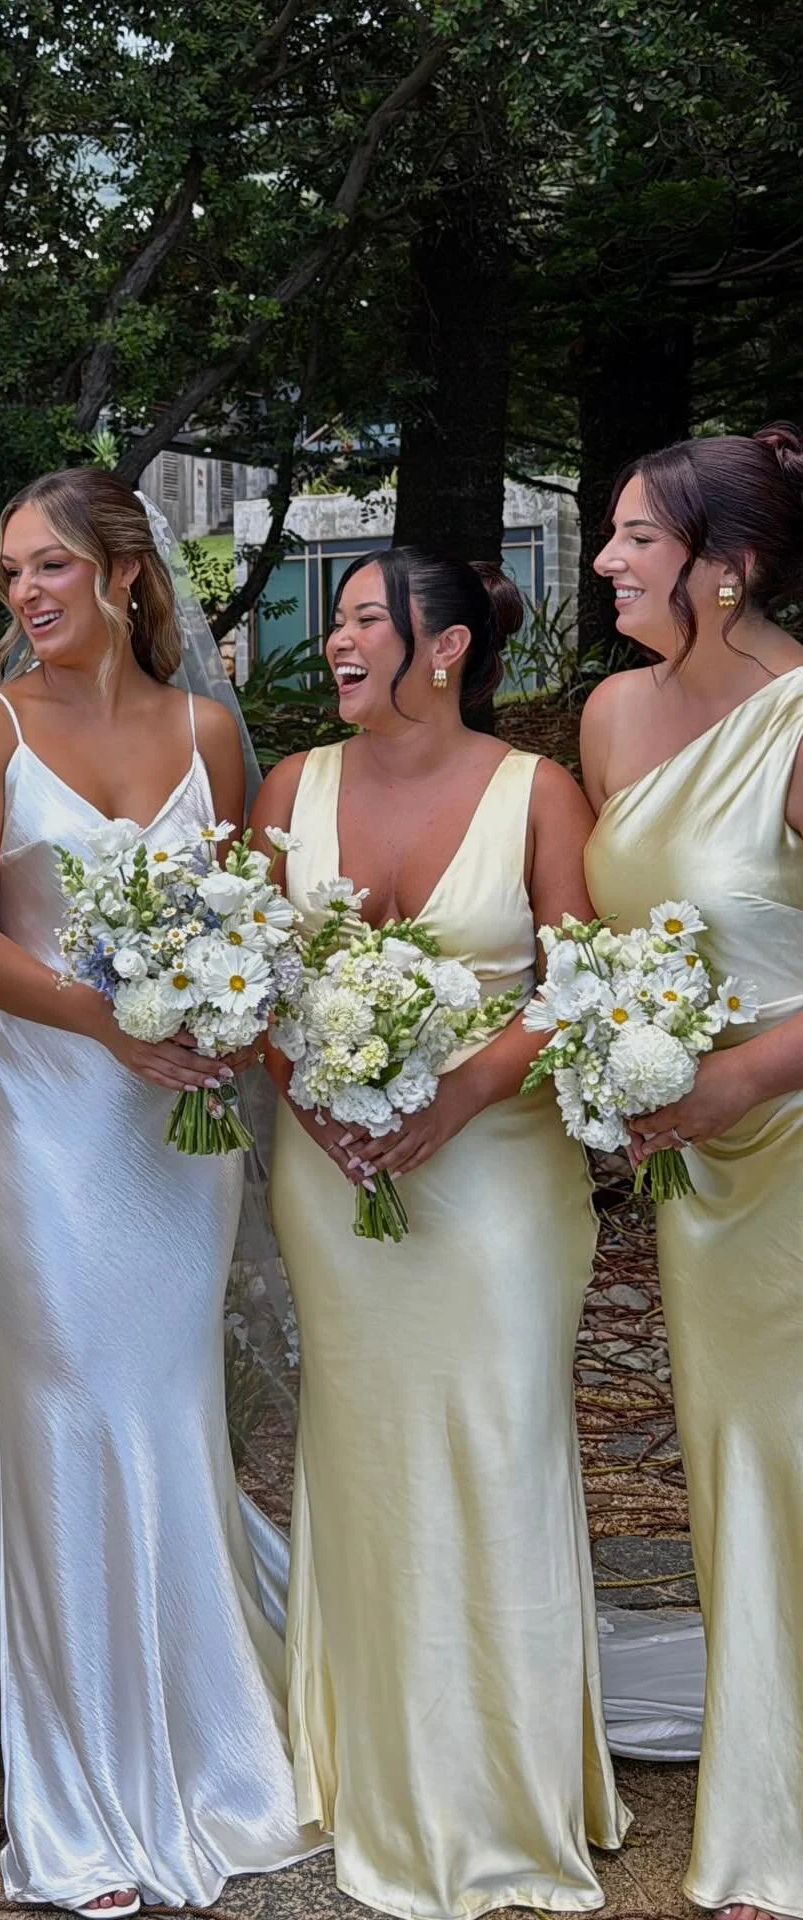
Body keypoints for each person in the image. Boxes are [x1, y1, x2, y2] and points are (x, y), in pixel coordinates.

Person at [0, 466, 324, 1919]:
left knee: (167, 1403)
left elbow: (233, 924)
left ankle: (213, 1740)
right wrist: (108, 1019)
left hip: (176, 1131)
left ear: (124, 574)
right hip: (41, 1118)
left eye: (48, 567)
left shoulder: (208, 733)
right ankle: (84, 1782)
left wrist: (215, 1017)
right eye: (10, 575)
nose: (26, 595)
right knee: (66, 1410)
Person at [252, 547, 628, 1918]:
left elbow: (578, 976)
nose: (339, 641)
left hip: (500, 1175)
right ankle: (373, 1761)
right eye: (337, 621)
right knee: (361, 1446)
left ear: (449, 645)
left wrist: (463, 1089)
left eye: (366, 621)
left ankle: (508, 1779)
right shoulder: (291, 789)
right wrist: (313, 1099)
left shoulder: (540, 791)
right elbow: (244, 969)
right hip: (332, 1170)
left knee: (497, 1435)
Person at [583, 423, 803, 1920]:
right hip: (696, 1174)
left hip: (790, 1132)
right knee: (735, 1463)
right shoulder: (608, 717)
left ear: (726, 571)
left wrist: (737, 1074)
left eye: (637, 541)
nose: (607, 561)